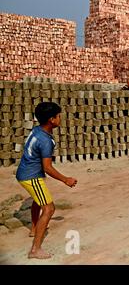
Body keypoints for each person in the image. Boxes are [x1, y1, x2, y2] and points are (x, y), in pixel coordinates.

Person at [16, 102, 77, 259]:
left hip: (26, 172)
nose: (60, 119)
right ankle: (35, 250)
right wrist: (66, 179)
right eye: (58, 116)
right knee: (49, 209)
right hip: (31, 176)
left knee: (38, 200)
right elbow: (48, 168)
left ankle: (34, 228)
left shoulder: (38, 130)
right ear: (51, 120)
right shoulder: (45, 141)